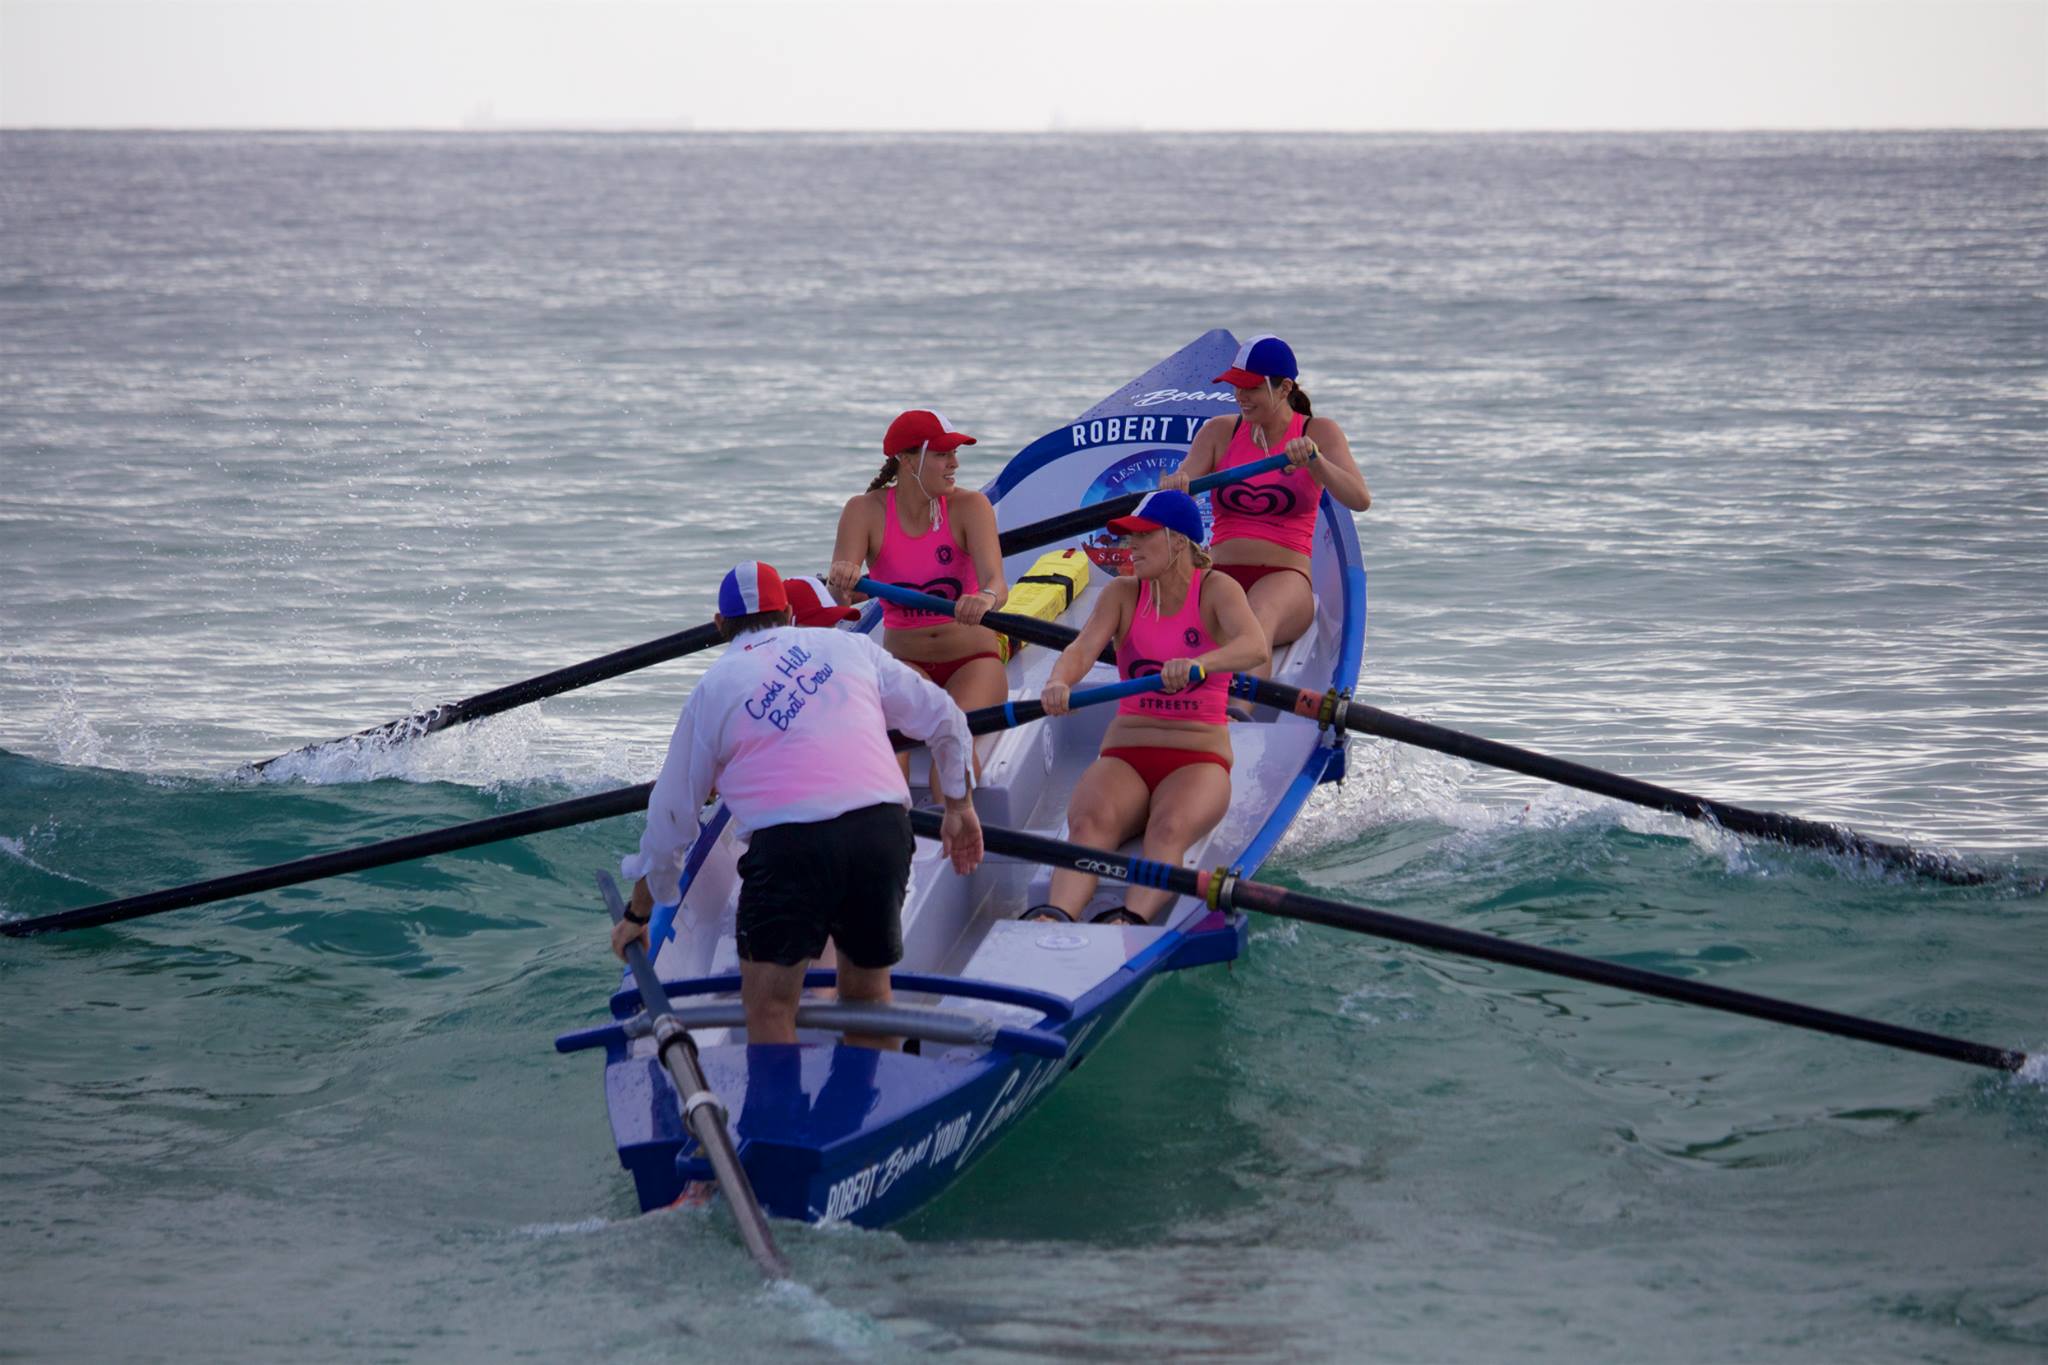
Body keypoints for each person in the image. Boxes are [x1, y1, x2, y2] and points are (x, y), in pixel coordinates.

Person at [611, 561, 983, 1050]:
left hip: (790, 848)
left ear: (720, 625)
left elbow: (673, 819)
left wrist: (638, 915)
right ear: (788, 613)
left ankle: (776, 1119)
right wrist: (958, 806)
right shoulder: (850, 647)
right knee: (870, 995)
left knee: (768, 1007)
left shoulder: (711, 690)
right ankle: (865, 1108)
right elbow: (946, 719)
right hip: (882, 830)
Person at [1025, 490, 1267, 926]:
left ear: (1177, 541)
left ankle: (1129, 922)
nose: (1128, 547)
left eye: (1141, 536)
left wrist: (1200, 664)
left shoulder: (1216, 589)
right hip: (1127, 753)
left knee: (1168, 829)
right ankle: (1056, 916)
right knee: (1086, 824)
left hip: (1199, 758)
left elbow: (1254, 647)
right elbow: (1081, 650)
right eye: (1126, 538)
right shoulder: (1122, 593)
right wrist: (1059, 681)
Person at [1159, 336, 1370, 679]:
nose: (1240, 397)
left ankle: (1237, 719)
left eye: (1251, 388)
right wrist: (1174, 490)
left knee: (1254, 621)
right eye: (1235, 387)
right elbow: (1173, 497)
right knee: (1175, 628)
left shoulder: (1320, 432)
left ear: (1284, 387)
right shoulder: (1218, 432)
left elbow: (1360, 499)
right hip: (1222, 572)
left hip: (1285, 579)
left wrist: (1316, 462)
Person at [827, 410, 1010, 722]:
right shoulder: (864, 511)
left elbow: (996, 583)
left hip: (973, 660)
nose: (955, 464)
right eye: (942, 454)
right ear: (908, 461)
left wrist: (986, 598)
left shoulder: (971, 507)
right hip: (905, 663)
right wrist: (841, 582)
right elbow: (839, 601)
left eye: (954, 453)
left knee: (955, 746)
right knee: (893, 751)